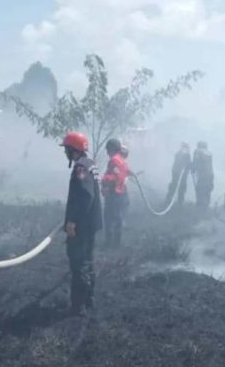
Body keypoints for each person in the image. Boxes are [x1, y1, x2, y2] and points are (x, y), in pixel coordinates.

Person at [61, 131, 103, 315]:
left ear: (73, 150)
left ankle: (78, 306)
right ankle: (89, 300)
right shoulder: (90, 163)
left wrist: (72, 221)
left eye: (67, 149)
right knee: (88, 261)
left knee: (79, 264)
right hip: (90, 223)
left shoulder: (81, 167)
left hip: (82, 226)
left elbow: (86, 196)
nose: (65, 153)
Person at [101, 138, 130, 246]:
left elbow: (115, 176)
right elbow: (122, 173)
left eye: (108, 149)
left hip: (114, 193)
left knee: (109, 219)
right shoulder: (122, 160)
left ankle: (110, 243)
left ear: (112, 149)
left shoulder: (114, 160)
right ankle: (116, 243)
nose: (107, 152)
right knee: (117, 218)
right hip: (120, 193)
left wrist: (103, 179)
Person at [164, 142, 191, 206]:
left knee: (181, 186)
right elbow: (178, 162)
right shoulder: (180, 154)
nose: (185, 149)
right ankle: (169, 198)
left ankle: (180, 200)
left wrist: (188, 167)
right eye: (184, 147)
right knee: (174, 184)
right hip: (177, 172)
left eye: (186, 147)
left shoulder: (186, 154)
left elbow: (188, 164)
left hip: (183, 174)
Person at [191, 141, 214, 209]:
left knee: (199, 189)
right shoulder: (209, 153)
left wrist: (193, 169)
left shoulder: (198, 151)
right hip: (210, 175)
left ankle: (200, 205)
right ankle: (206, 205)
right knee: (207, 190)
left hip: (202, 175)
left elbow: (196, 161)